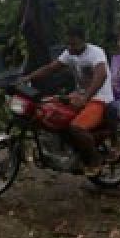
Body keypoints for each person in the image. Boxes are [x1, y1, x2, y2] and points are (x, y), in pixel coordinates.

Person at [23, 26, 114, 177]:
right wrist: (27, 78)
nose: (70, 48)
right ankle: (61, 150)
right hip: (78, 96)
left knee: (76, 127)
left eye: (74, 45)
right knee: (46, 109)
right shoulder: (69, 53)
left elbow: (101, 74)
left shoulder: (95, 52)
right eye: (68, 44)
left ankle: (95, 160)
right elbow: (50, 68)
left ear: (84, 41)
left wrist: (85, 98)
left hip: (99, 98)